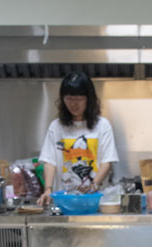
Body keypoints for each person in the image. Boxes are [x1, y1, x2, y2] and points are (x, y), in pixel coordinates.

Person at [38, 72, 118, 207]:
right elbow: (50, 162)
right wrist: (48, 189)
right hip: (64, 203)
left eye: (79, 99)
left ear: (89, 98)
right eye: (69, 98)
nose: (73, 104)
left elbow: (107, 162)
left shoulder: (102, 126)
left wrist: (93, 187)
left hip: (94, 202)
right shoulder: (56, 127)